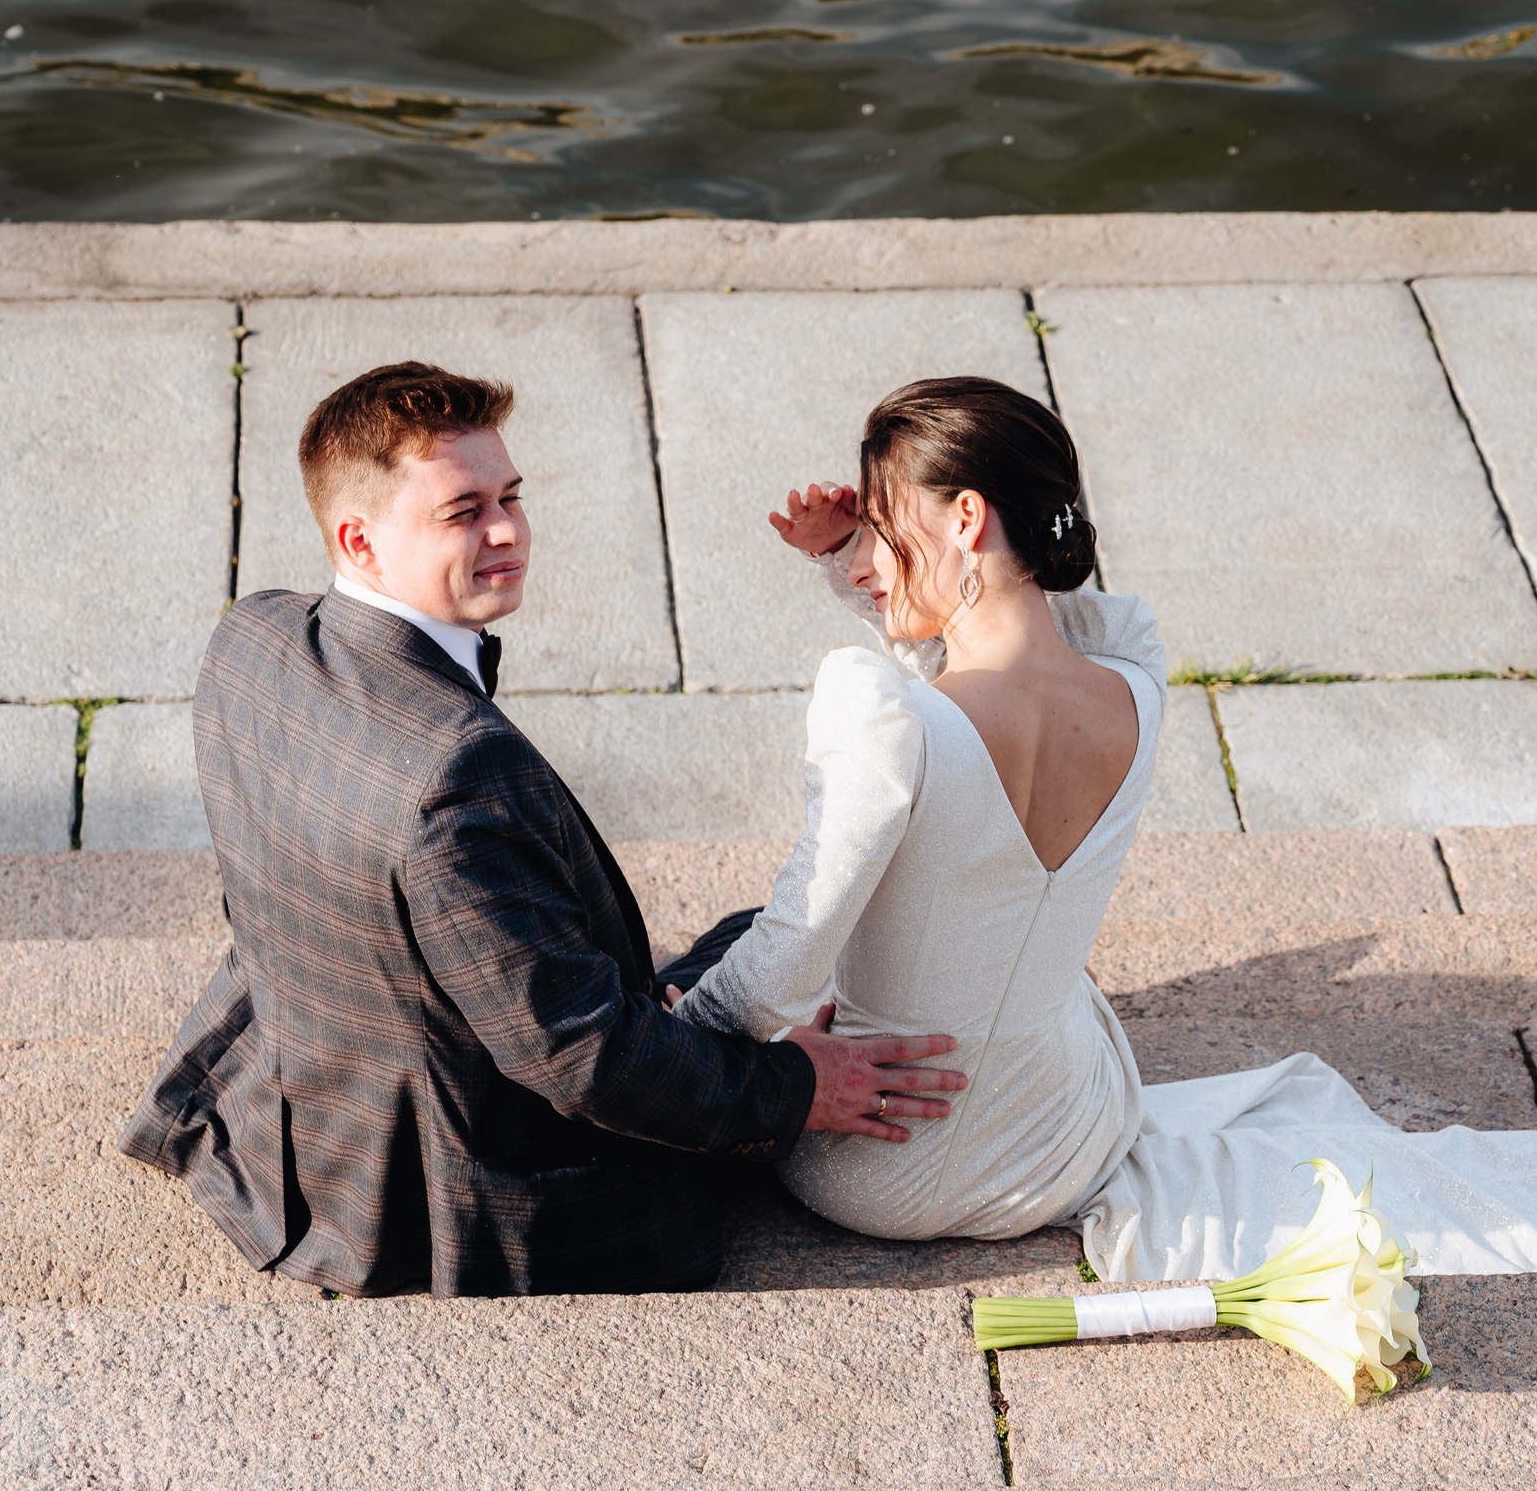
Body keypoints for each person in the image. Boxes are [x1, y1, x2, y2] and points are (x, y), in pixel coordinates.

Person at [673, 376, 1537, 1280]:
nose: (871, 561)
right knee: (1030, 973)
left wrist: (666, 1045)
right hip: (1057, 1149)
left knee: (766, 953)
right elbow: (994, 658)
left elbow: (778, 965)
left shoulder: (881, 714)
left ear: (966, 518)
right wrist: (874, 553)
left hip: (875, 1167)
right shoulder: (1134, 682)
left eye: (887, 528)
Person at [119, 361, 966, 1298]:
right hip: (452, 1193)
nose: (508, 531)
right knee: (782, 959)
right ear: (358, 540)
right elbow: (587, 1060)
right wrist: (802, 1090)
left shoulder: (254, 637)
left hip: (286, 1106)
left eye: (511, 496)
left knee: (745, 950)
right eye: (463, 511)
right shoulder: (456, 774)